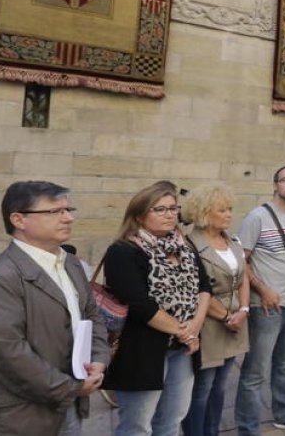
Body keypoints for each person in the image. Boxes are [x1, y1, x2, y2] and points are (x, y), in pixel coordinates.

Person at [0, 181, 109, 436]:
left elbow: (92, 316)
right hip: (16, 415)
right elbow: (7, 351)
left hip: (68, 405)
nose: (68, 218)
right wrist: (69, 388)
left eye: (68, 210)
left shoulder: (71, 265)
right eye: (54, 211)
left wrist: (98, 360)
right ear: (18, 220)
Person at [104, 182, 212, 436]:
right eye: (160, 209)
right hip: (142, 349)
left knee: (172, 420)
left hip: (182, 349)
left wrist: (194, 327)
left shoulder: (184, 246)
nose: (169, 214)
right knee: (137, 425)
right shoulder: (124, 251)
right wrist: (184, 331)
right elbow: (139, 303)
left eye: (173, 208)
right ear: (140, 215)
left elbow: (205, 287)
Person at [235, 166, 285, 434]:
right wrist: (262, 289)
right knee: (255, 372)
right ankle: (248, 428)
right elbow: (240, 261)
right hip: (266, 306)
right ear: (275, 184)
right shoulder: (257, 217)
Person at [182, 185, 250, 436]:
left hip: (235, 320)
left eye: (230, 209)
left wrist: (243, 309)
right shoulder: (190, 244)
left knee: (221, 386)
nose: (229, 214)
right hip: (209, 323)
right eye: (222, 210)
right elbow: (198, 290)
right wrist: (227, 316)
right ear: (204, 213)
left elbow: (244, 277)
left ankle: (212, 432)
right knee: (203, 388)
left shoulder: (230, 240)